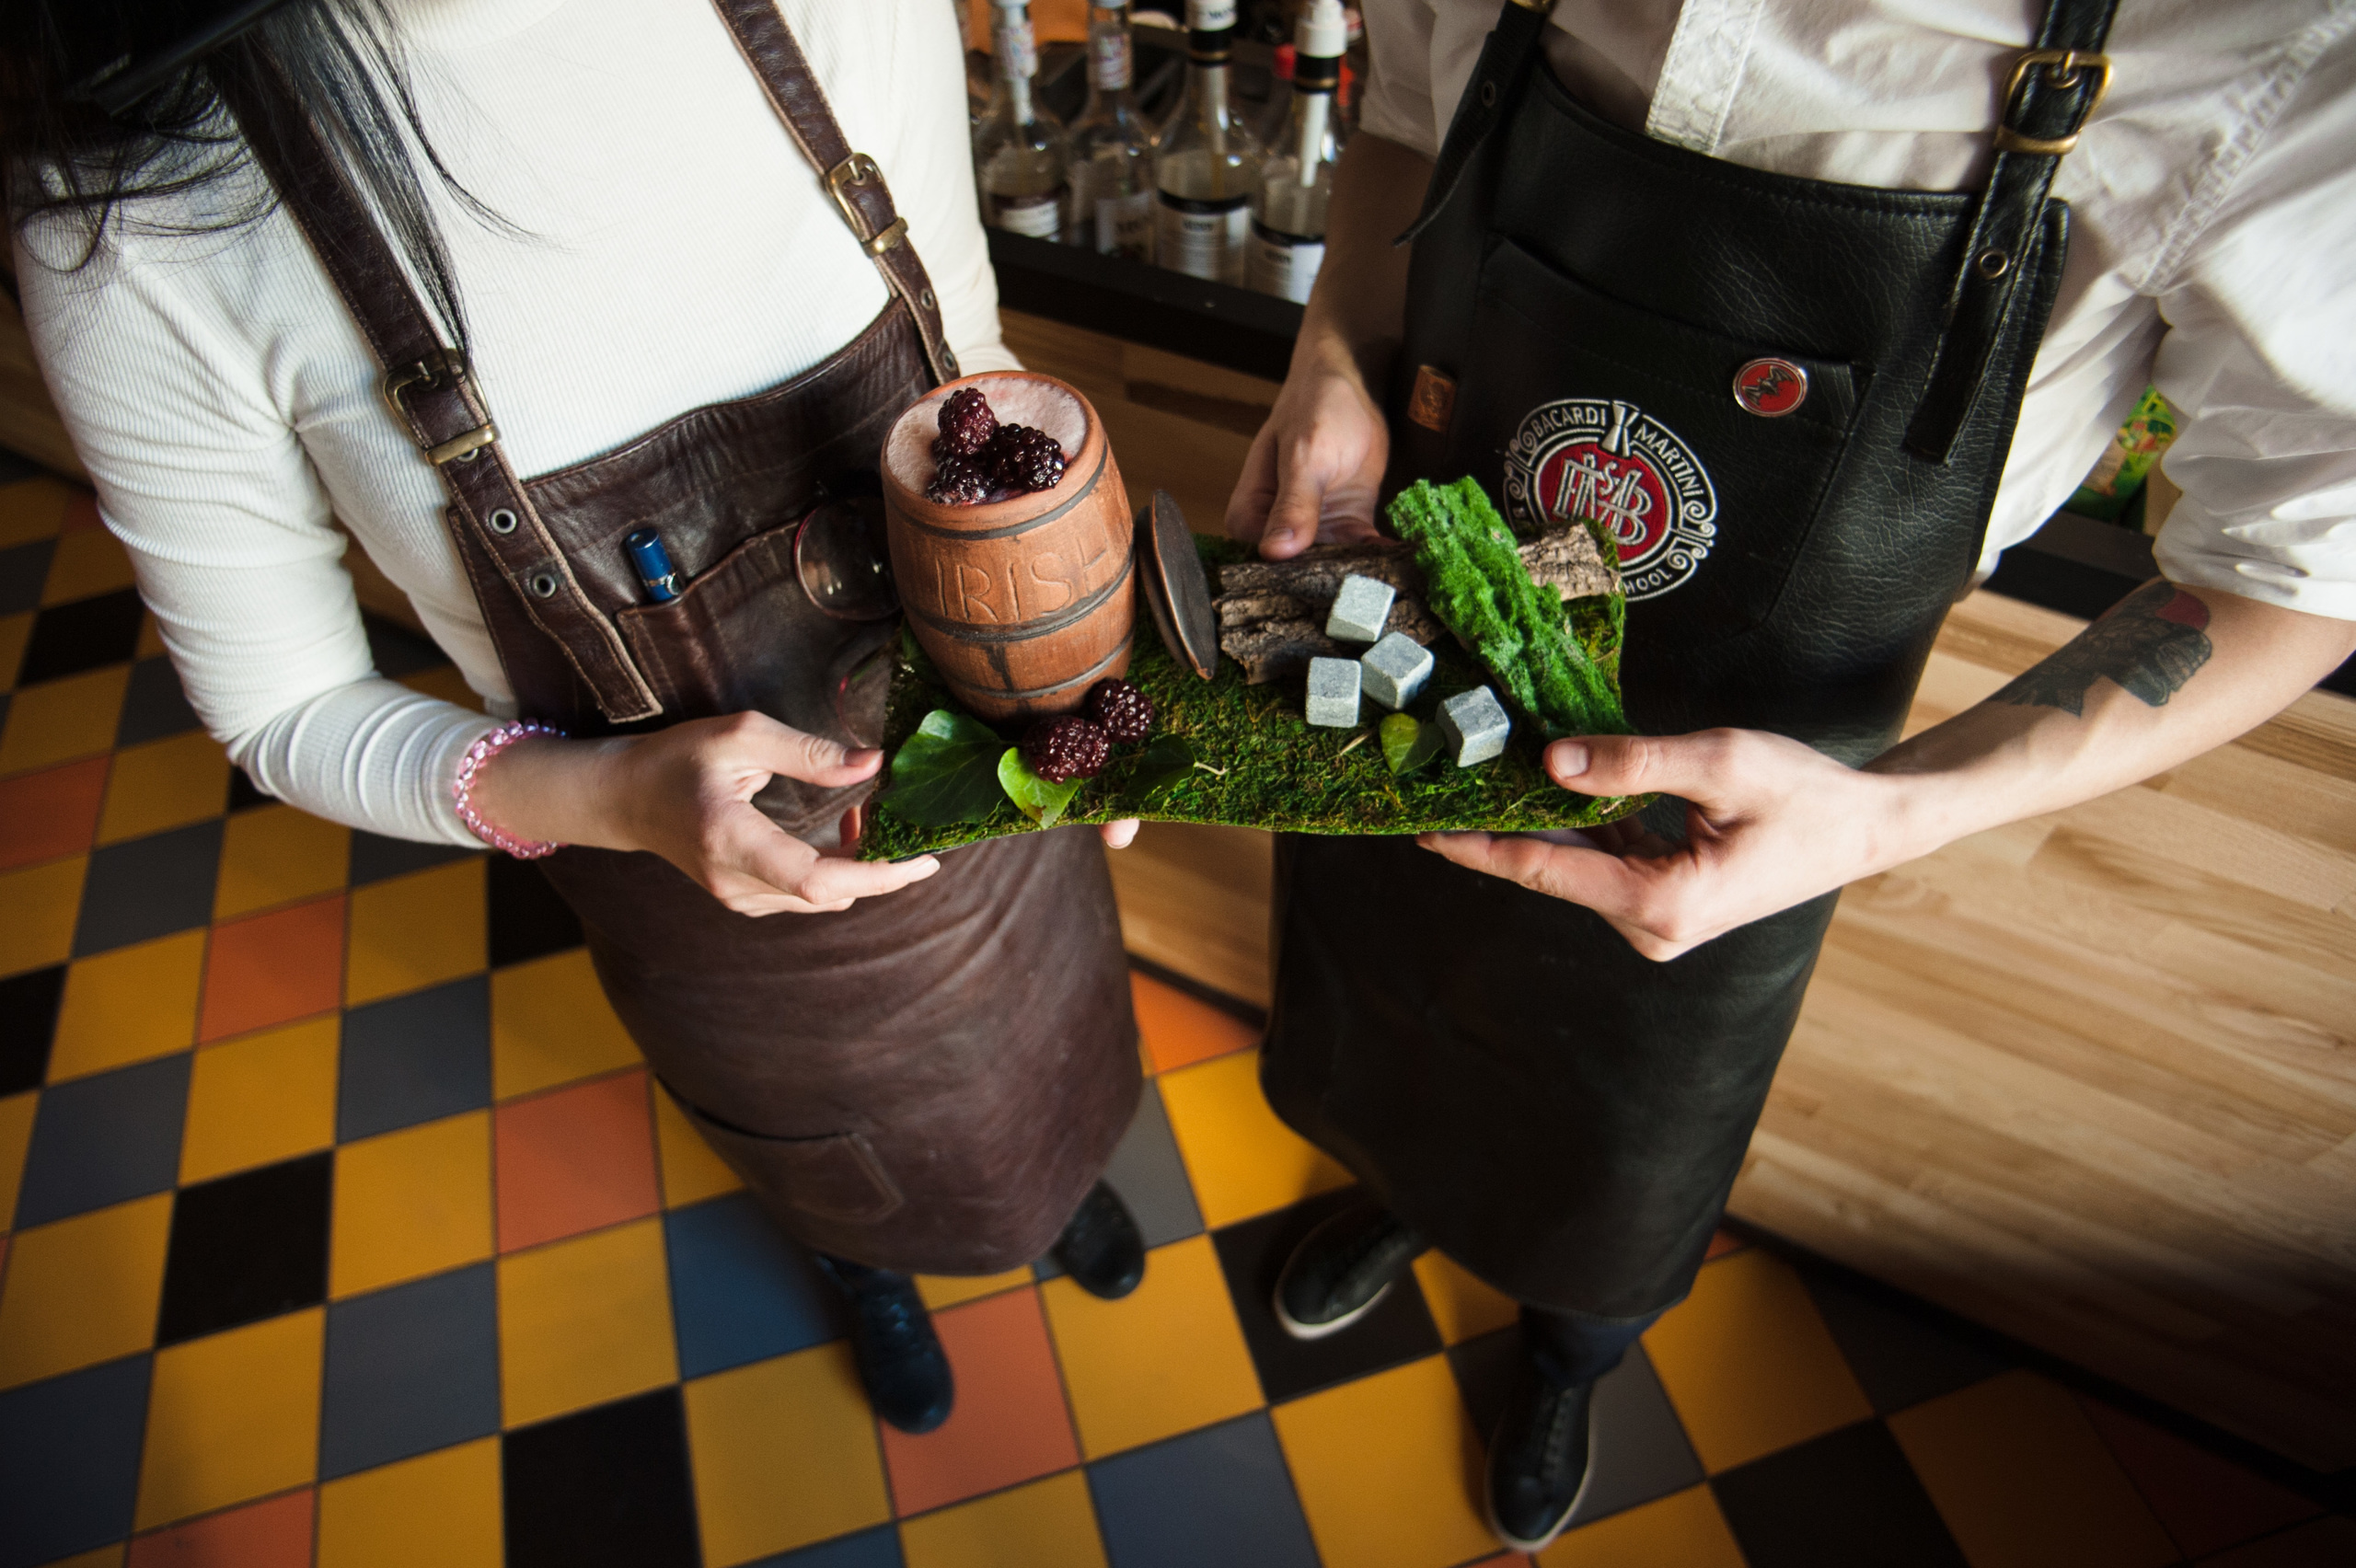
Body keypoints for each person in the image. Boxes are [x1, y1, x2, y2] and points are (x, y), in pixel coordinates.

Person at [1226, 0, 2356, 1550]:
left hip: (1762, 761)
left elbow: (2295, 563)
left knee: (1630, 1130)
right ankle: (1413, 1196)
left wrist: (1897, 815)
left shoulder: (2275, 40)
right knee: (1398, 983)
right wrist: (1334, 355)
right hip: (1429, 616)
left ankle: (1572, 1345)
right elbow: (1413, 114)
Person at [8, 0, 1153, 1436]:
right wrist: (614, 802)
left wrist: (1068, 649)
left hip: (992, 784)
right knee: (833, 1162)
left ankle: (1045, 1194)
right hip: (709, 921)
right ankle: (865, 1263)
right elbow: (279, 705)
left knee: (1042, 1071)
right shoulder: (141, 214)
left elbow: (963, 359)